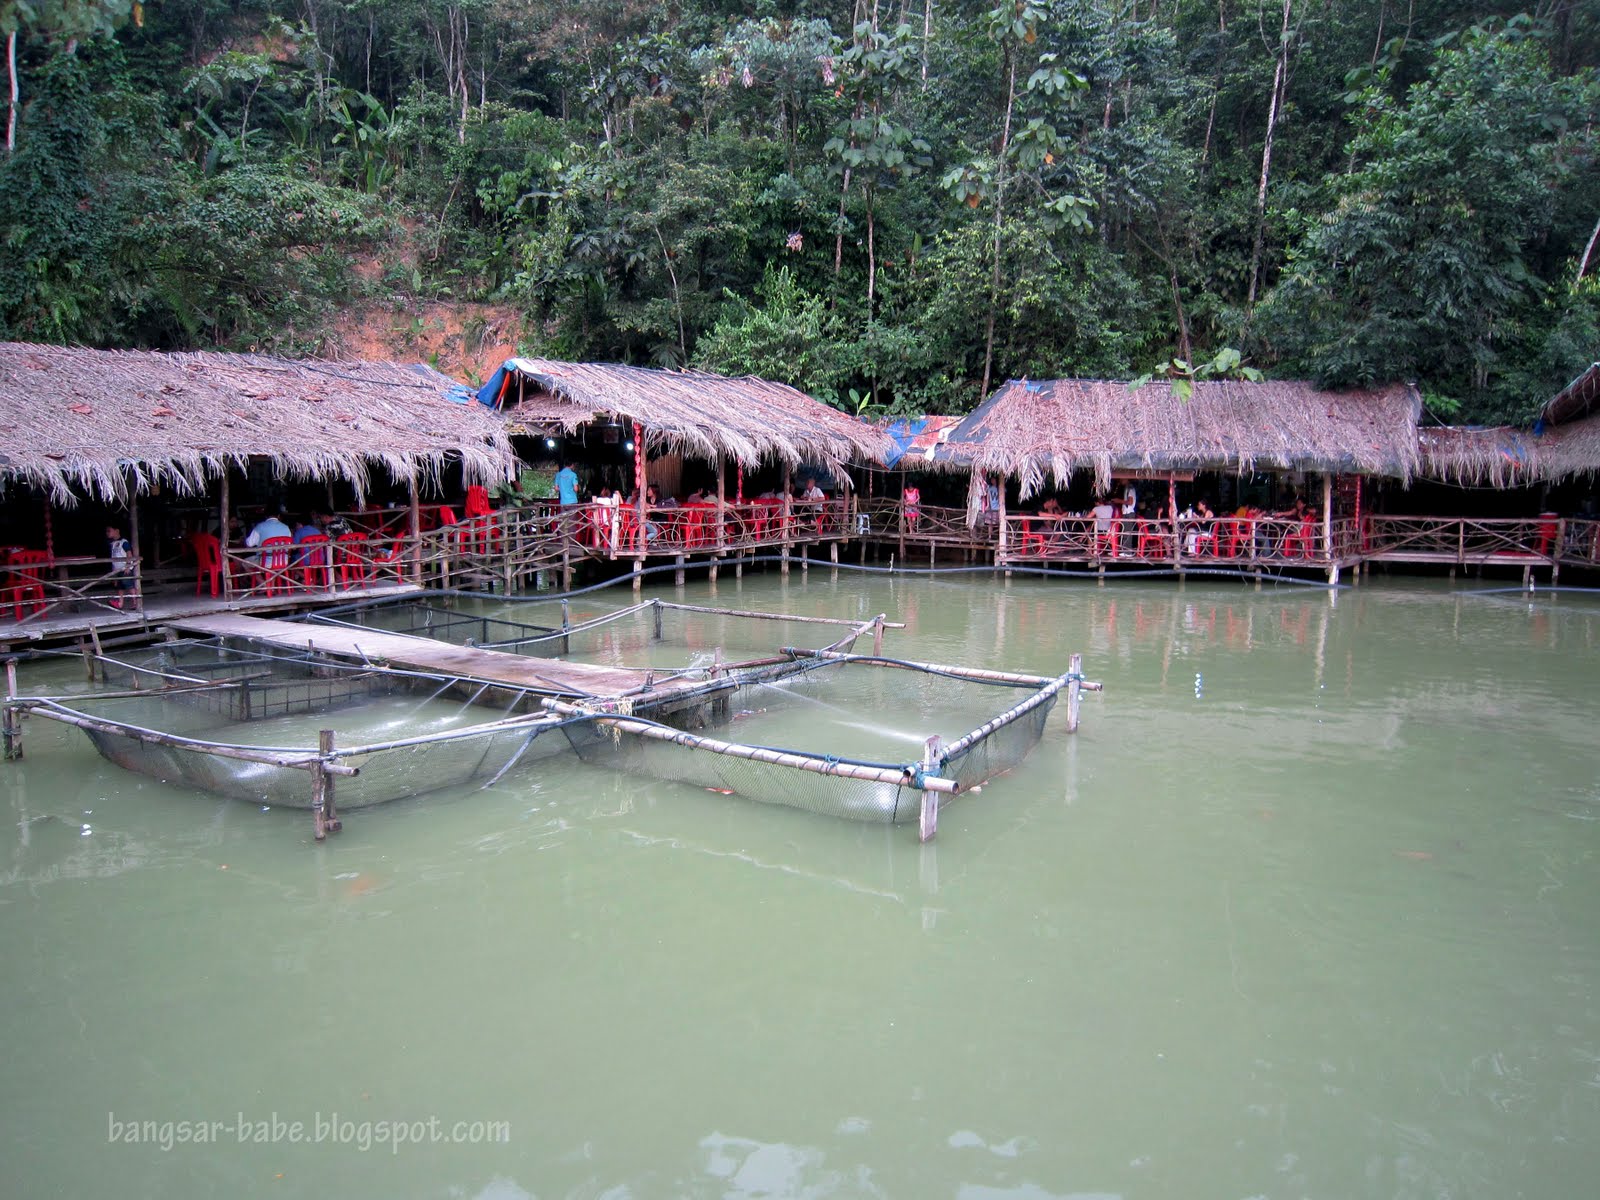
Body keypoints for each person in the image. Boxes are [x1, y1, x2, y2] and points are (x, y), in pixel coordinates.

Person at [105, 524, 135, 610]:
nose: (107, 533)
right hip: (117, 570)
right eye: (106, 531)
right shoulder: (112, 544)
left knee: (129, 585)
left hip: (125, 568)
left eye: (109, 531)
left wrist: (128, 566)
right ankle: (120, 603)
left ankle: (135, 602)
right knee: (119, 587)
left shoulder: (124, 542)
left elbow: (129, 554)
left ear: (117, 531)